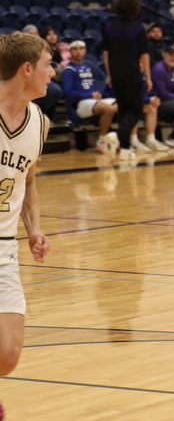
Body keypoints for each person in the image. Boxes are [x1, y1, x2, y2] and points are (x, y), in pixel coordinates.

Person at [0, 33, 53, 409]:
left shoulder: (40, 123)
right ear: (27, 68)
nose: (54, 72)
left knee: (8, 354)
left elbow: (28, 180)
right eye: (49, 64)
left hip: (4, 249)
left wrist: (33, 228)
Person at [101, 0, 151, 159]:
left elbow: (106, 54)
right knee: (136, 109)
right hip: (132, 74)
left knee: (124, 111)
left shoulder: (110, 27)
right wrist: (148, 77)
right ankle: (117, 135)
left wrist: (109, 75)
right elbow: (144, 55)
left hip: (116, 74)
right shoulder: (138, 28)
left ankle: (125, 149)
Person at [62, 39, 117, 144]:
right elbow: (68, 93)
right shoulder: (69, 70)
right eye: (75, 49)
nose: (78, 51)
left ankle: (123, 138)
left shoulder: (88, 65)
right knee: (109, 109)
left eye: (81, 49)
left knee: (125, 105)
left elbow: (103, 77)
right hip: (81, 103)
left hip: (94, 102)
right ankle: (102, 141)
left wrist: (91, 65)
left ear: (85, 51)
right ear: (70, 52)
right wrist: (89, 94)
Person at [32, 27, 64, 121]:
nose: (52, 37)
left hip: (53, 76)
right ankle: (40, 112)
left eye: (53, 34)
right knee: (55, 91)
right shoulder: (37, 50)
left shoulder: (56, 49)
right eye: (49, 34)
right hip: (40, 75)